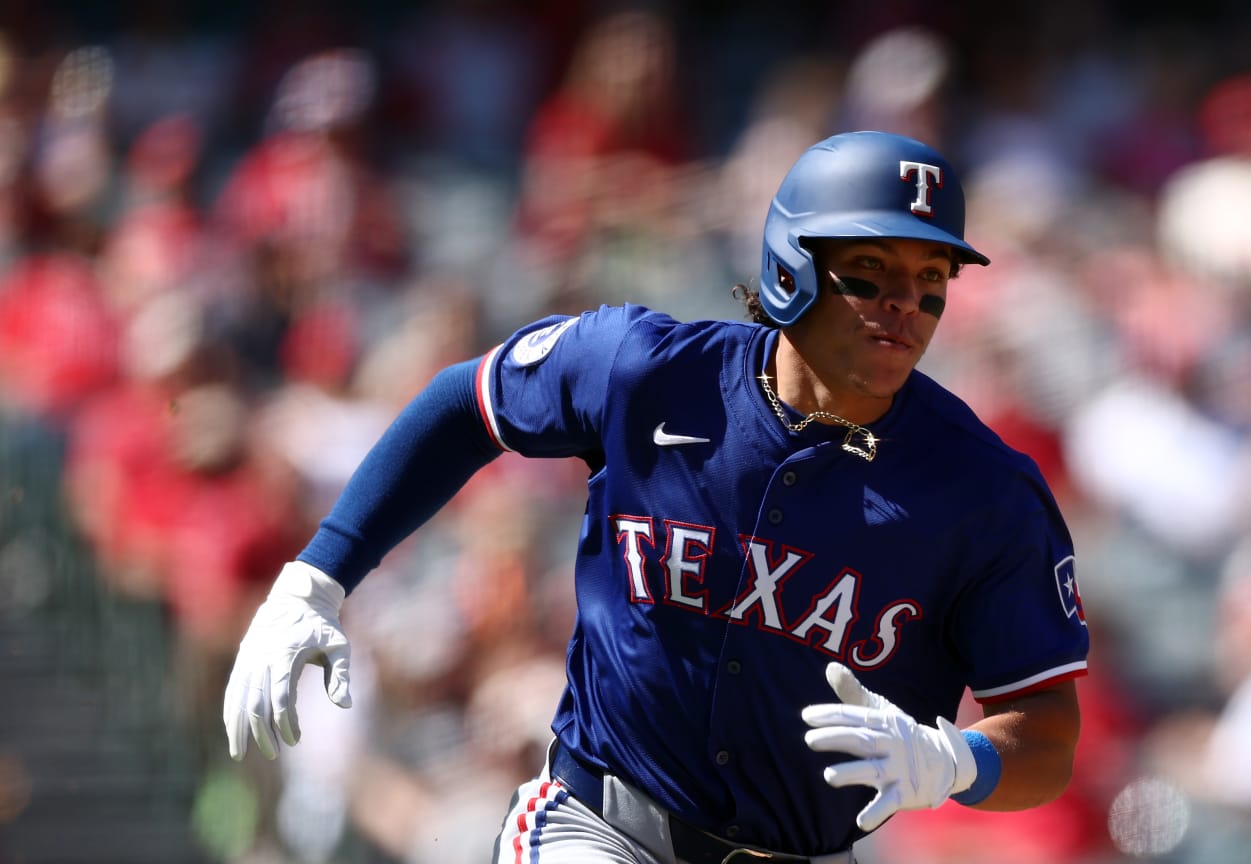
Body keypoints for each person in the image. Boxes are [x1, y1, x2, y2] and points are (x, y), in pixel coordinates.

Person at [223, 130, 1089, 863]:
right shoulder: (649, 373)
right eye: (869, 273)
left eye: (931, 281)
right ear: (792, 265)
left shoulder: (984, 489)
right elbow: (466, 403)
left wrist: (957, 762)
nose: (905, 306)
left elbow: (1046, 725)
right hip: (600, 823)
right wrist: (317, 577)